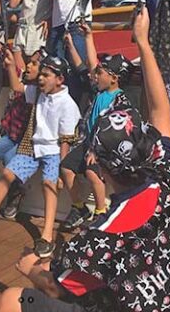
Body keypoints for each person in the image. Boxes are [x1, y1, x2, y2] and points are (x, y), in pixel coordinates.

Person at [0, 7, 170, 312]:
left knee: (13, 298)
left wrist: (30, 269)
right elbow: (161, 111)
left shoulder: (96, 238)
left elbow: (55, 287)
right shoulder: (169, 177)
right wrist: (143, 44)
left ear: (99, 167)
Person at [0, 53, 80, 261]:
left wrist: (62, 169)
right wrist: (10, 65)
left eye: (46, 75)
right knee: (8, 174)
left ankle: (47, 236)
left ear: (60, 79)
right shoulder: (38, 93)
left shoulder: (68, 105)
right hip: (34, 146)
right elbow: (18, 87)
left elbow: (66, 140)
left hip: (53, 150)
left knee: (49, 184)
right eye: (41, 75)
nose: (41, 79)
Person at [61, 23, 132, 230]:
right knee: (66, 167)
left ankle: (101, 211)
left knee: (93, 173)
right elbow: (85, 66)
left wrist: (96, 150)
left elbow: (114, 131)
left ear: (114, 78)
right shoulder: (98, 90)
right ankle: (80, 206)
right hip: (88, 143)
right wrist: (83, 40)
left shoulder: (121, 101)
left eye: (101, 72)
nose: (96, 75)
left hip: (104, 147)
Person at [0, 49, 43, 221]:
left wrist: (12, 66)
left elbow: (16, 86)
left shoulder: (37, 91)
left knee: (9, 161)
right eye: (28, 62)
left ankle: (15, 194)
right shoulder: (22, 79)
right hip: (11, 134)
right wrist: (10, 64)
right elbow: (8, 58)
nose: (28, 66)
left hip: (24, 139)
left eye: (34, 64)